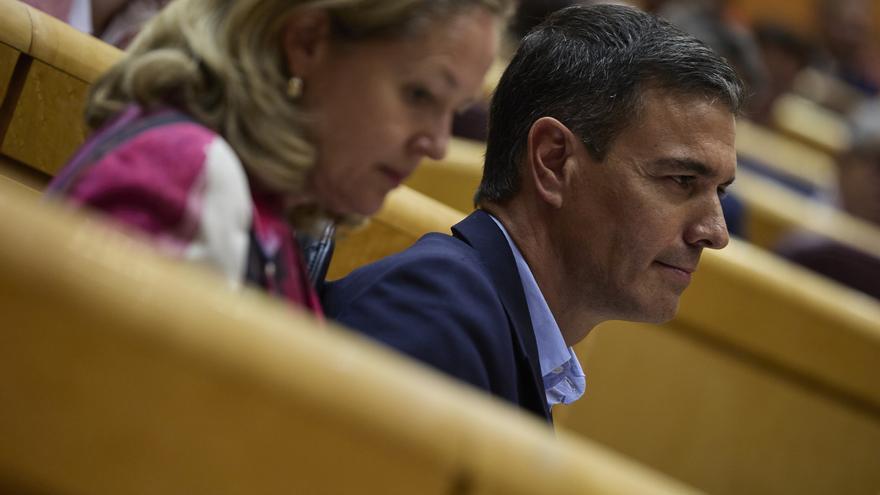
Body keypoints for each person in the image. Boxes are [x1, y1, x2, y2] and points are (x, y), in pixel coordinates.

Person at [322, 3, 743, 421]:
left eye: (720, 192)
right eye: (681, 180)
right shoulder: (431, 319)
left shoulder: (486, 323)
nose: (715, 232)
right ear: (553, 160)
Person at [45, 0, 510, 315]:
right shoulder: (186, 176)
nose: (438, 144)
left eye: (454, 110)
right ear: (308, 41)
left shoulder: (273, 211)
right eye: (419, 94)